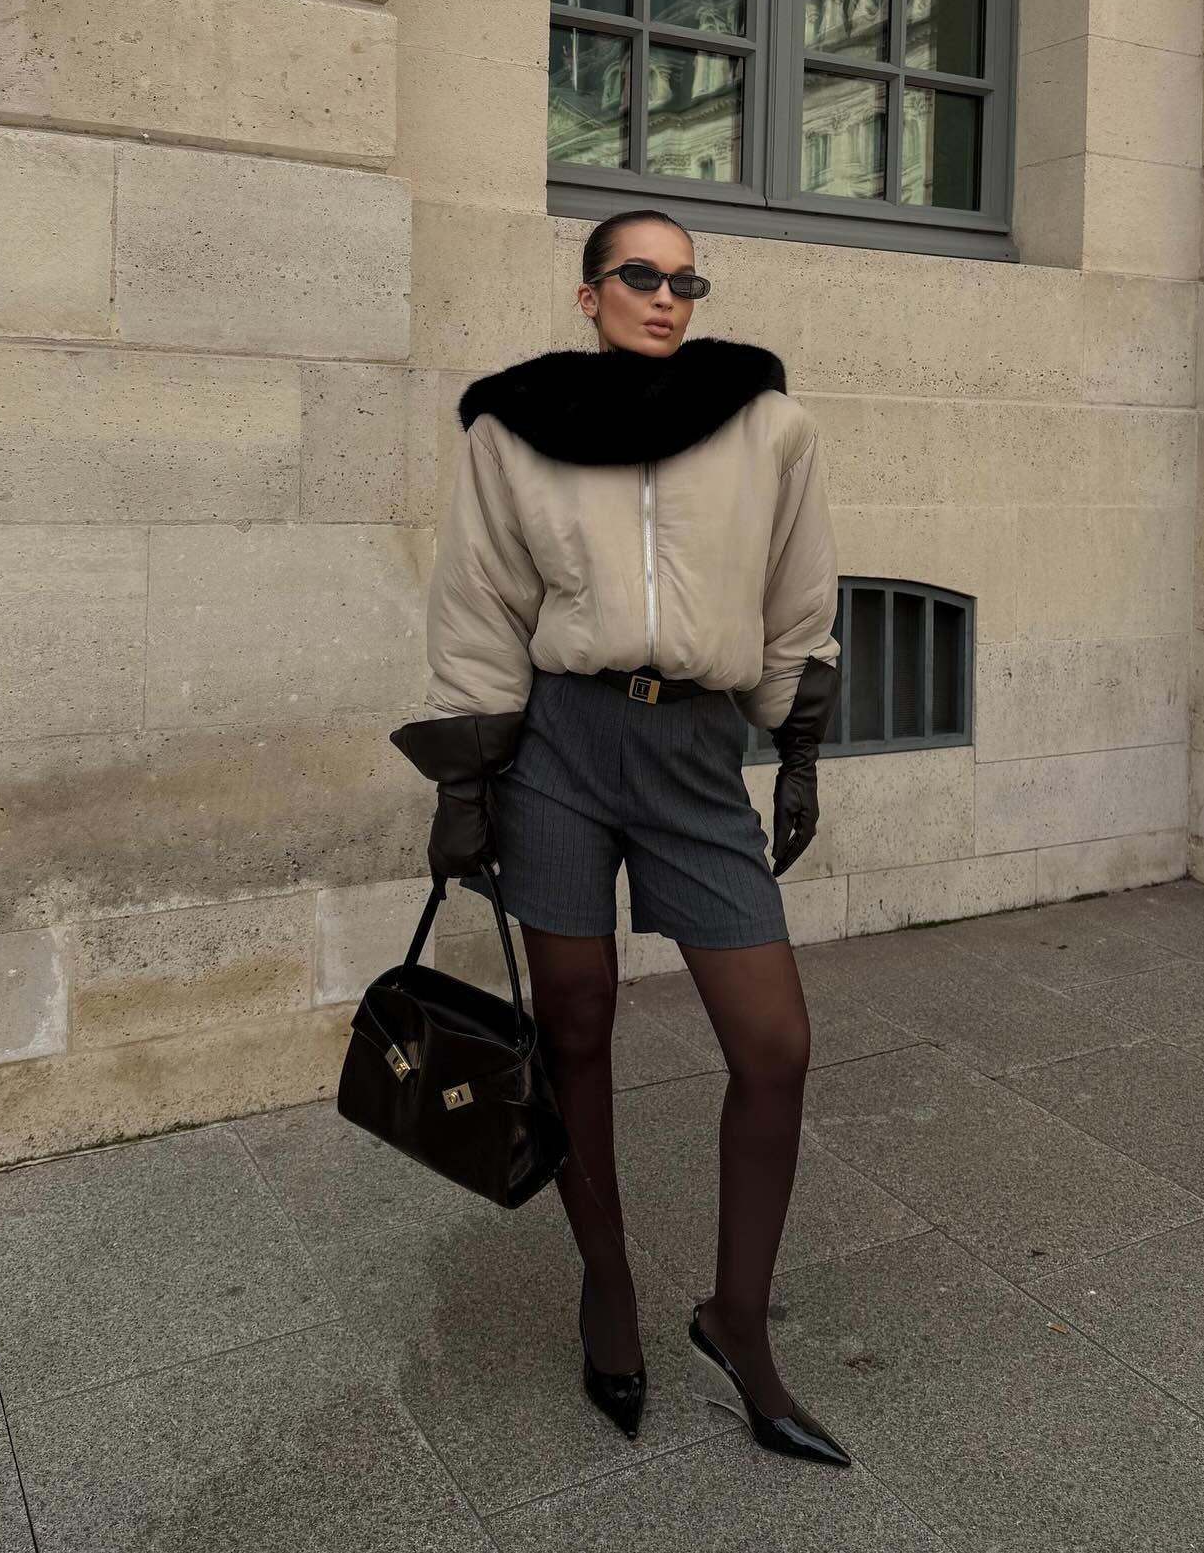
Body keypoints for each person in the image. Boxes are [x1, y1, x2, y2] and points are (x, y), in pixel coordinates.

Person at [389, 207, 850, 1468]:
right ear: (589, 294)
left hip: (695, 747)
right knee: (576, 1022)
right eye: (638, 275)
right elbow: (481, 597)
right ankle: (607, 1278)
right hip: (558, 747)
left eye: (685, 280)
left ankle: (736, 1321)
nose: (664, 295)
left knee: (775, 1043)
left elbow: (799, 590)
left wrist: (798, 746)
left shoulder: (767, 424)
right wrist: (465, 782)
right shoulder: (514, 428)